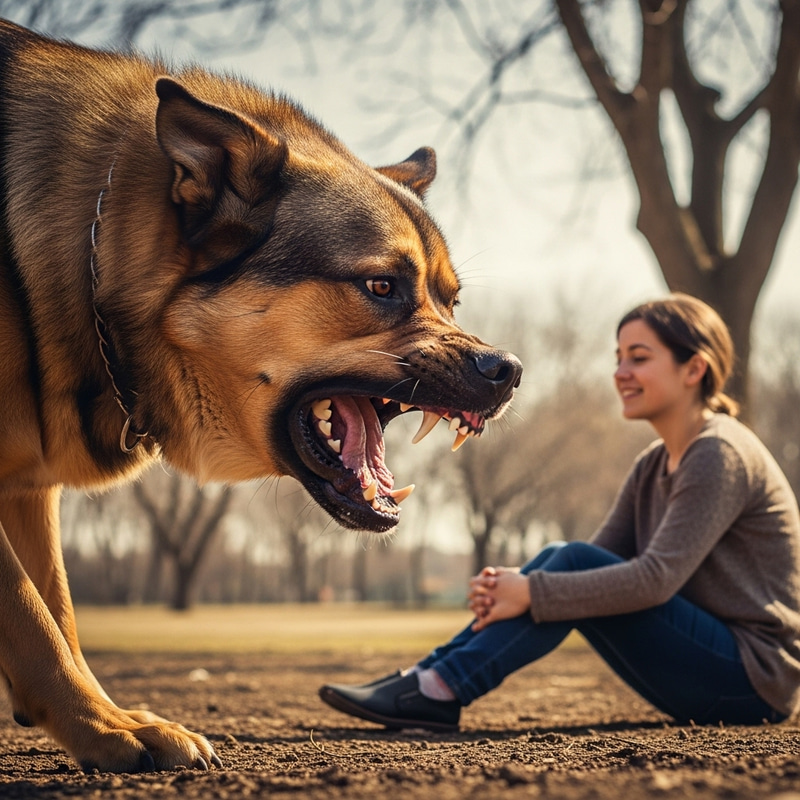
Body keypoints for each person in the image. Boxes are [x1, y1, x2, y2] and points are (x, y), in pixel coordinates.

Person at [319, 293, 800, 730]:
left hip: (755, 679)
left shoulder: (720, 452)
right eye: (618, 359)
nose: (620, 373)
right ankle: (431, 680)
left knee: (562, 564)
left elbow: (655, 580)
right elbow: (595, 557)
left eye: (639, 358)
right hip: (711, 666)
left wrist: (529, 589)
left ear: (694, 369)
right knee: (560, 556)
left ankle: (436, 686)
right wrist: (520, 585)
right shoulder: (654, 464)